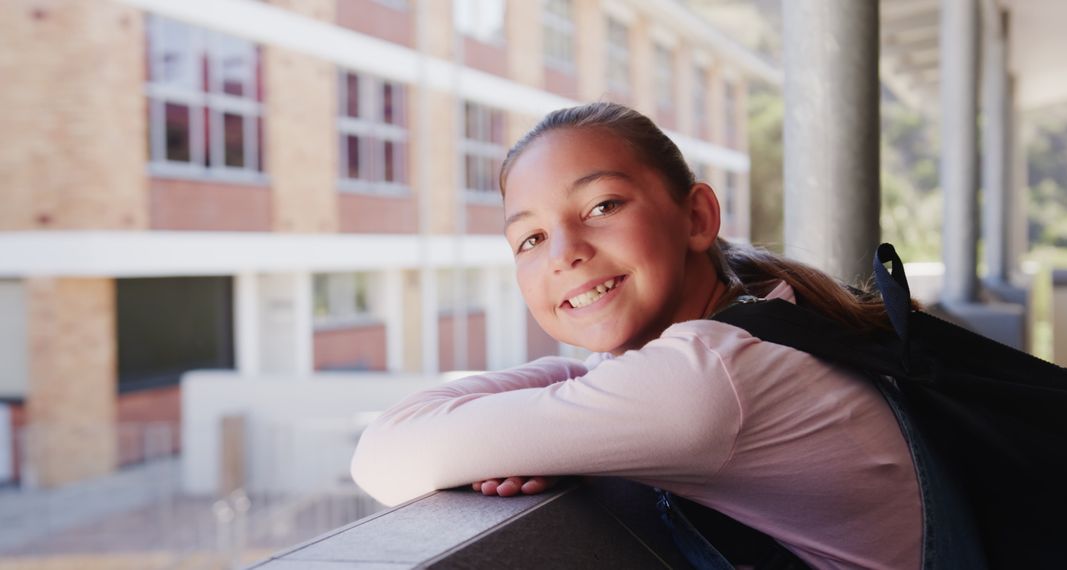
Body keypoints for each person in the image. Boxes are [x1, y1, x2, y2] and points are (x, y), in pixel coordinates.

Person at [351, 102, 922, 569]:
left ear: (696, 217)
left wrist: (540, 428)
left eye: (603, 205)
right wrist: (563, 413)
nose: (565, 252)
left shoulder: (709, 375)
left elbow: (380, 455)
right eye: (530, 239)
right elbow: (608, 380)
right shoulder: (761, 319)